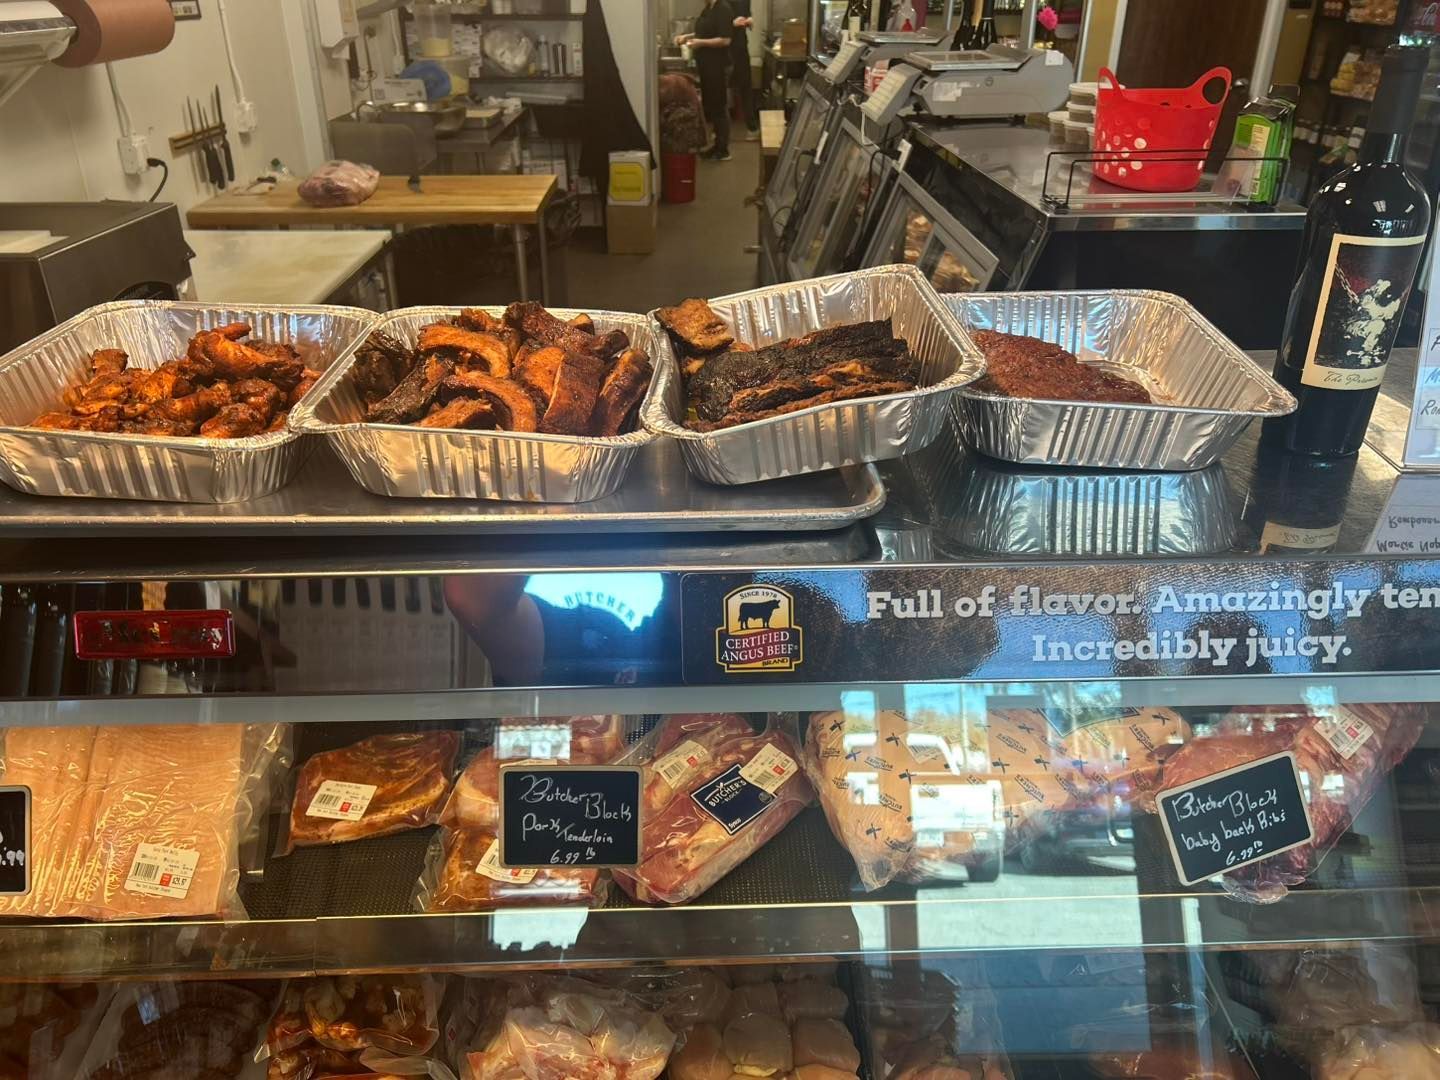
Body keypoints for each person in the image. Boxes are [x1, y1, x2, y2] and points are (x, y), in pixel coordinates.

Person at [675, 0, 735, 161]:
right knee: (713, 105)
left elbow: (725, 39)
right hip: (707, 65)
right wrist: (687, 37)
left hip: (718, 65)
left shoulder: (723, 9)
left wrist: (700, 43)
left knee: (719, 105)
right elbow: (704, 33)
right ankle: (716, 146)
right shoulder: (708, 9)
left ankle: (723, 149)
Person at [730, 0, 758, 137]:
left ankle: (752, 128)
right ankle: (720, 132)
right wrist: (732, 23)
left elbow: (747, 14)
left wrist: (749, 20)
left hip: (740, 46)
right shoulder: (721, 4)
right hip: (725, 47)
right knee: (720, 87)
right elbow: (715, 24)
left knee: (745, 85)